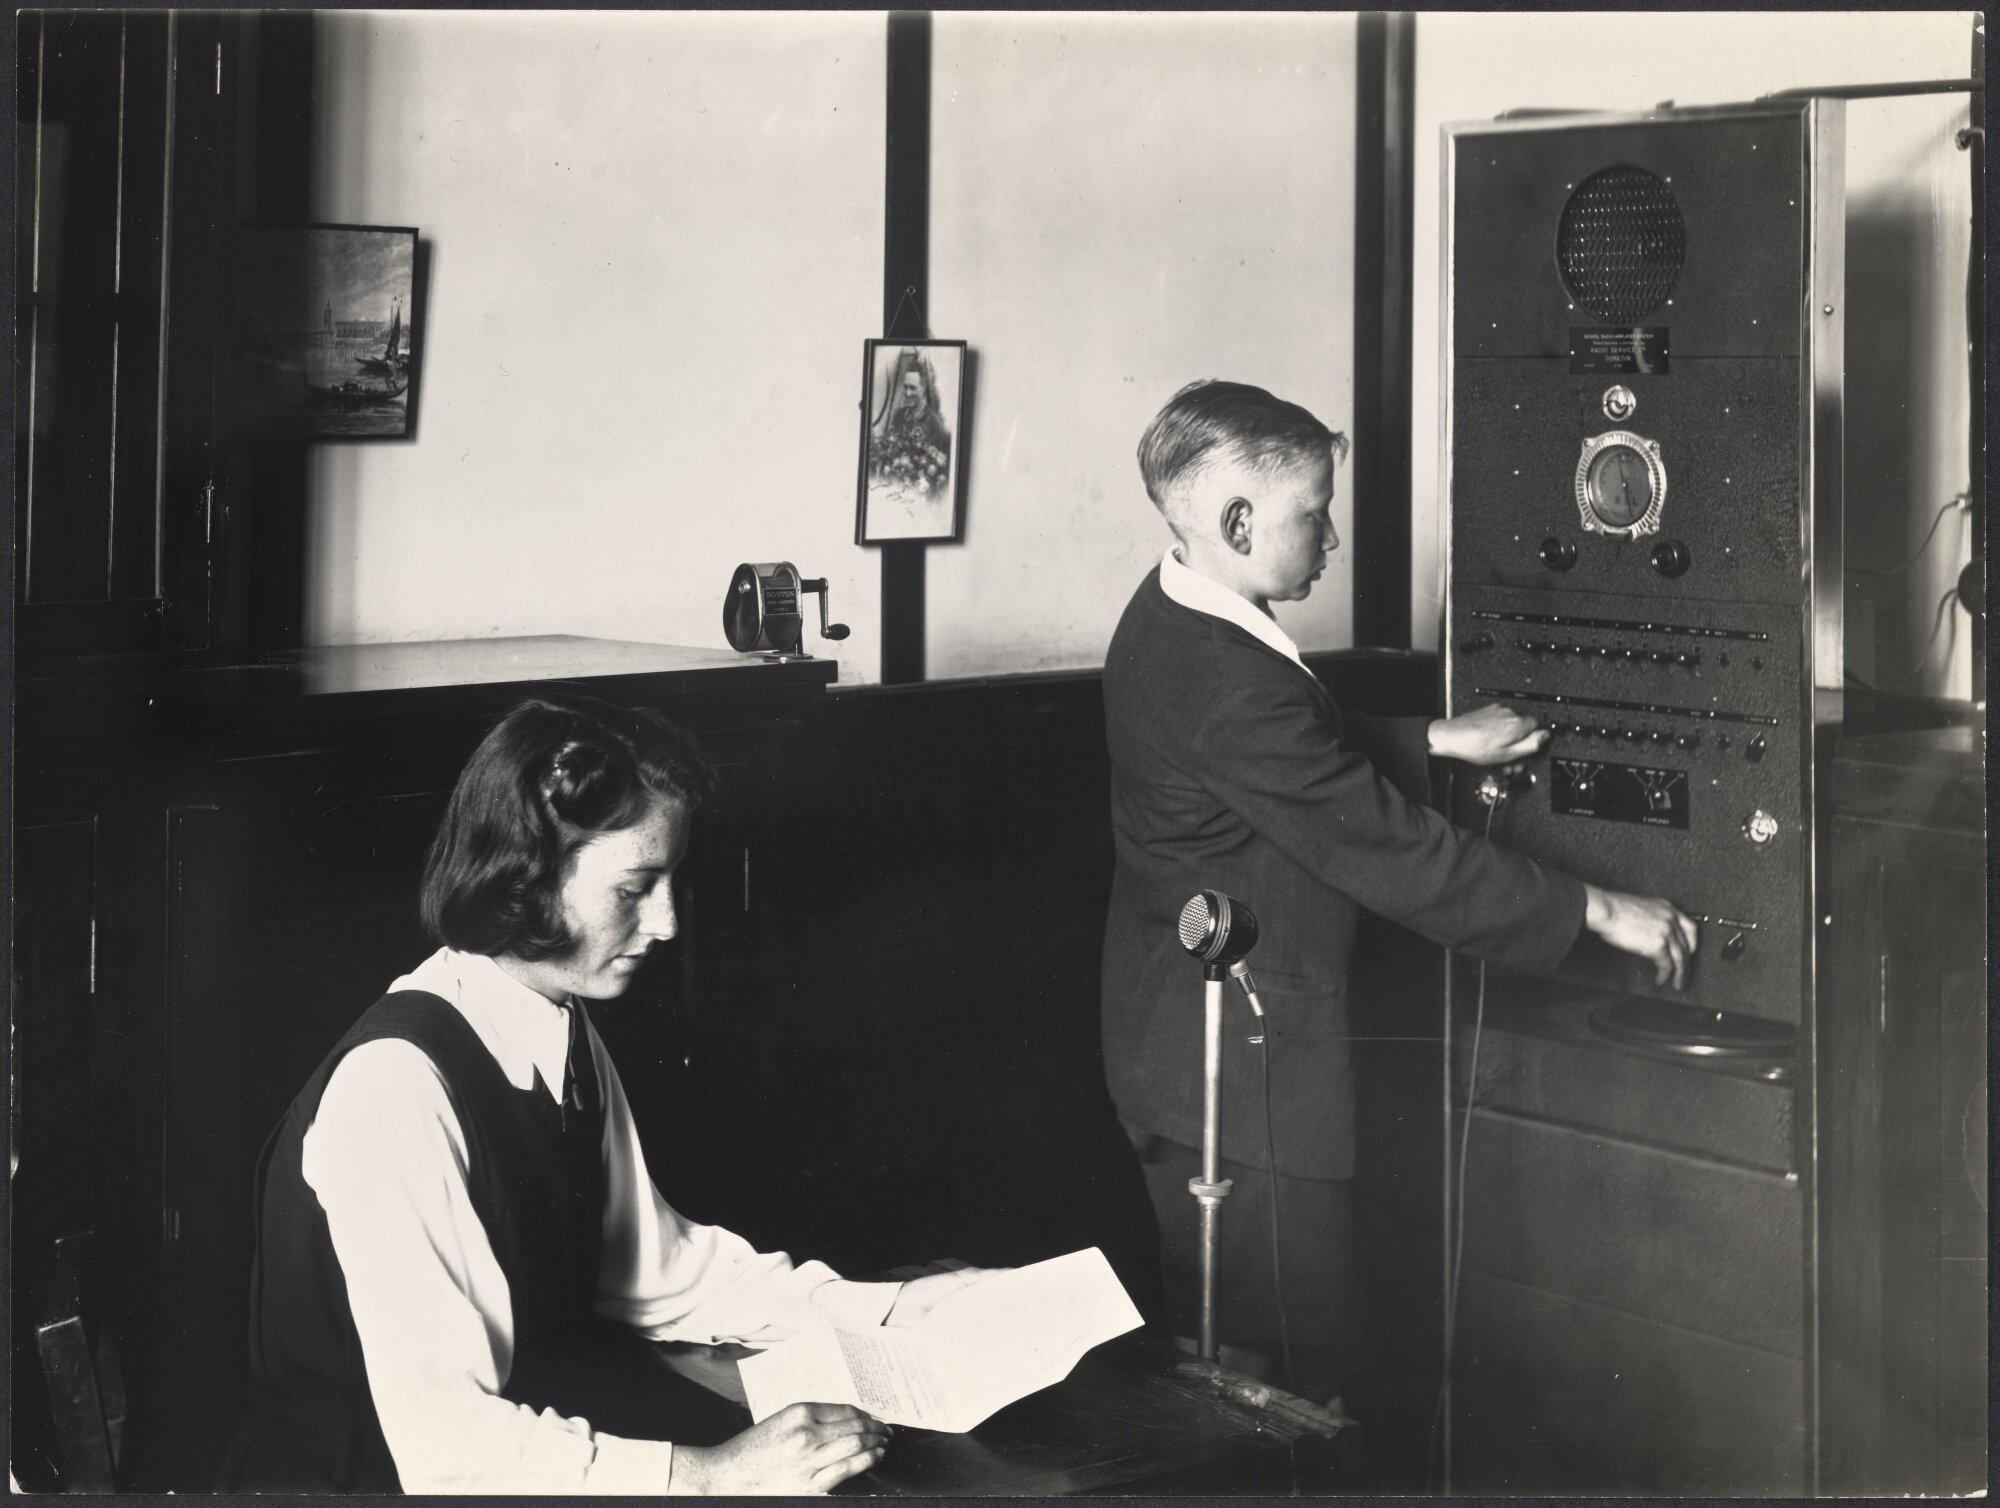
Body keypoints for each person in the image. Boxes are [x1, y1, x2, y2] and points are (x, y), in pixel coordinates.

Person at [1099, 379, 1698, 1408]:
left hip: (1190, 1050)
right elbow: (1391, 850)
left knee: (1256, 1358)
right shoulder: (1230, 683)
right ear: (1237, 522)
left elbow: (1271, 772)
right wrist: (1595, 908)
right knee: (1283, 1375)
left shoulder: (1175, 611)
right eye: (1312, 513)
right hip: (1239, 1086)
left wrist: (1425, 736)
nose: (1330, 535)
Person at [223, 692, 987, 1494]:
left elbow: (659, 1274)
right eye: (635, 888)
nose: (665, 925)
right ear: (527, 874)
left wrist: (894, 1308)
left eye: (670, 883)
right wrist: (712, 1475)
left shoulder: (560, 1029)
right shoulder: (395, 1088)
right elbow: (445, 1444)